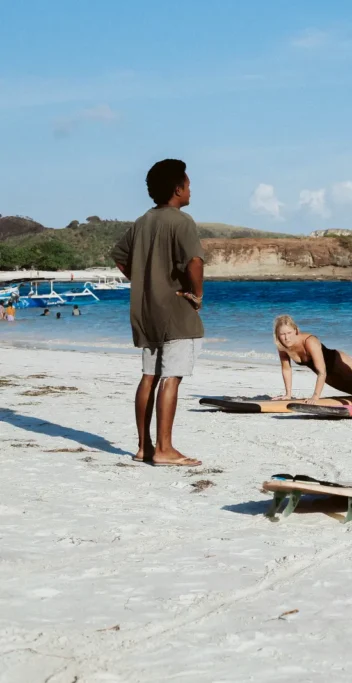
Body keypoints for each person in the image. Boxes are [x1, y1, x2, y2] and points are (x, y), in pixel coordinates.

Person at [111, 159, 204, 467]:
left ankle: (144, 447)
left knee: (149, 375)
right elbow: (195, 262)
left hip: (145, 309)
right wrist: (197, 295)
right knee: (171, 378)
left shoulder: (142, 221)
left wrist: (144, 281)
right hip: (175, 310)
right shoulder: (182, 221)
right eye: (188, 185)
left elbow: (120, 256)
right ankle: (164, 448)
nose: (191, 189)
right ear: (177, 190)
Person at [272, 314, 352, 401]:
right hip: (328, 374)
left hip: (339, 362)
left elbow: (321, 371)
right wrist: (288, 394)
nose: (286, 337)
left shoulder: (309, 341)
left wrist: (315, 396)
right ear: (277, 335)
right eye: (282, 334)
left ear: (296, 330)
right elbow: (287, 369)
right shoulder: (282, 346)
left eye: (289, 333)